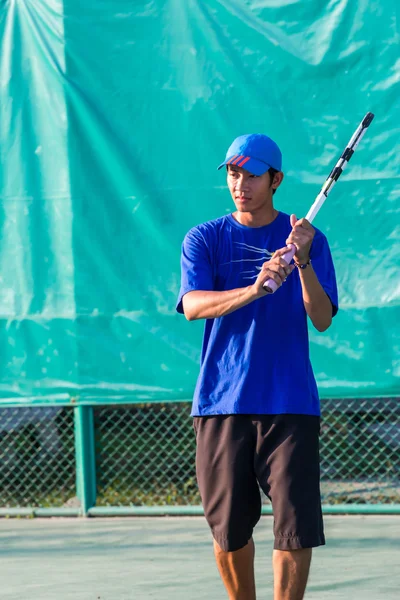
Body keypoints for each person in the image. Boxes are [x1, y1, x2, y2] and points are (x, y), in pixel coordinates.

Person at [176, 133, 338, 600]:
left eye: (251, 174)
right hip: (220, 402)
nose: (240, 183)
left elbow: (322, 319)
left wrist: (302, 262)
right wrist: (256, 287)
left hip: (289, 403)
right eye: (233, 173)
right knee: (228, 530)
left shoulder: (307, 239)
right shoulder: (204, 237)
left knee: (295, 528)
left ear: (276, 179)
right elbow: (193, 305)